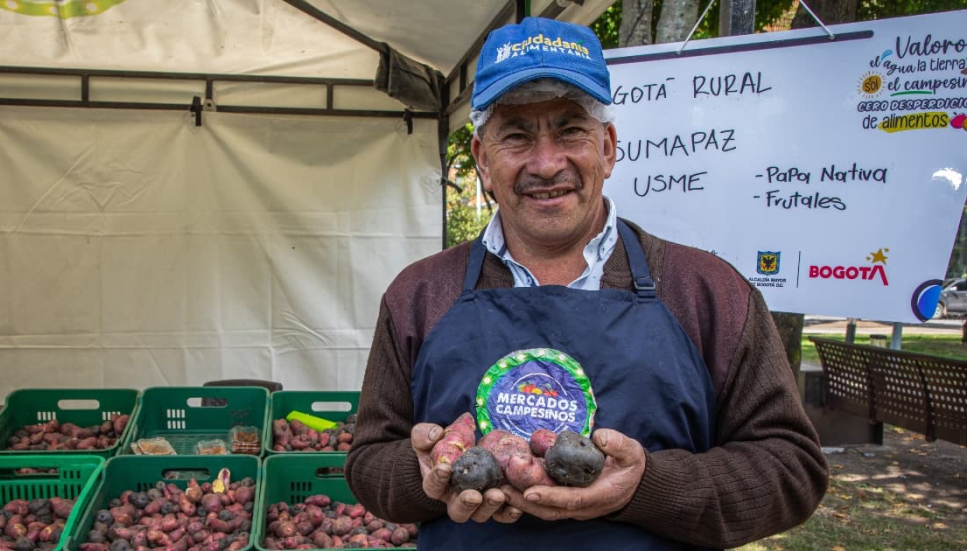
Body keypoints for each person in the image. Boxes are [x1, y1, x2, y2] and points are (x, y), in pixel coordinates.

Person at [344, 16, 828, 550]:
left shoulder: (706, 290)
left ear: (608, 147)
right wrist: (427, 475)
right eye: (517, 136)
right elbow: (368, 461)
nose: (547, 163)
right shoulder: (419, 294)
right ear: (483, 160)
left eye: (571, 129)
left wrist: (646, 487)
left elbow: (792, 468)